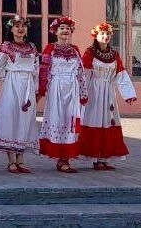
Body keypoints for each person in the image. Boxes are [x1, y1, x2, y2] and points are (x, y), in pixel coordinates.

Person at [79, 22, 137, 170]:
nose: (106, 36)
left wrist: (128, 94)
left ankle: (105, 158)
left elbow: (120, 73)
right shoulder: (90, 52)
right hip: (94, 91)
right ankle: (96, 158)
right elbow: (85, 73)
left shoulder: (114, 55)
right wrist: (82, 92)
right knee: (96, 120)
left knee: (109, 121)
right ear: (96, 36)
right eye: (102, 34)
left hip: (109, 91)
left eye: (108, 34)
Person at [0, 15, 39, 173]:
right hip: (12, 84)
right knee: (12, 118)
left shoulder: (32, 47)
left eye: (23, 26)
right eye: (17, 26)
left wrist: (36, 89)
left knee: (25, 119)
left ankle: (21, 159)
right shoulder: (6, 46)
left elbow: (36, 68)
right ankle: (11, 160)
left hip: (28, 85)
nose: (20, 29)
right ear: (11, 29)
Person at [37, 16, 87, 173]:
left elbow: (81, 71)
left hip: (72, 87)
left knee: (71, 121)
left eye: (68, 28)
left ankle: (66, 158)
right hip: (57, 87)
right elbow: (43, 70)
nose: (65, 31)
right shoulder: (50, 48)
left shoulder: (75, 49)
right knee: (58, 119)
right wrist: (42, 90)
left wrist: (83, 92)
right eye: (62, 28)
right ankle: (60, 157)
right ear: (55, 31)